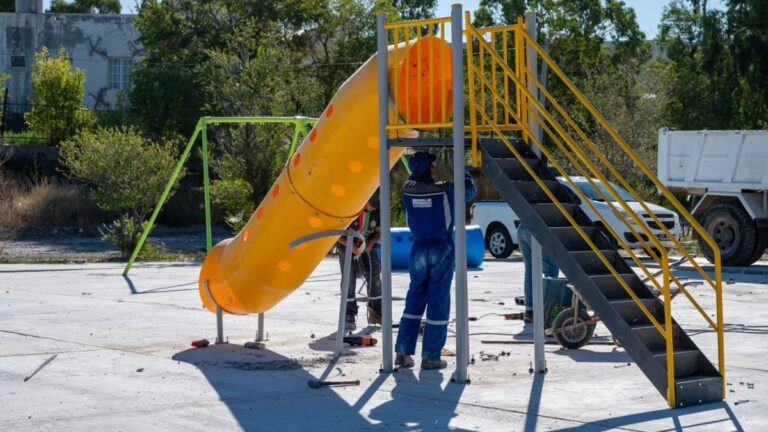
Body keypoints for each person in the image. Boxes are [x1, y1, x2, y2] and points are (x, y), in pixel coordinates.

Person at [395, 151, 477, 370]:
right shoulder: (445, 189)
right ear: (430, 167)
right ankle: (431, 355)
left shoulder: (407, 190)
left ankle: (402, 352)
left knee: (415, 296)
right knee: (438, 299)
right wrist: (463, 171)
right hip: (441, 246)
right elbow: (469, 191)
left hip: (418, 247)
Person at [337, 192, 382, 330]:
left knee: (374, 275)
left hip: (367, 246)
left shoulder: (378, 212)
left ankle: (376, 311)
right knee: (349, 280)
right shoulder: (350, 209)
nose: (374, 208)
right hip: (348, 247)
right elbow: (336, 233)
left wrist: (371, 243)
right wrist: (351, 246)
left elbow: (379, 231)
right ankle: (349, 314)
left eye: (376, 206)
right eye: (372, 205)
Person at [516, 222, 559, 323]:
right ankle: (549, 311)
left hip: (523, 227)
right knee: (551, 270)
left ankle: (530, 311)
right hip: (540, 229)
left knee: (530, 270)